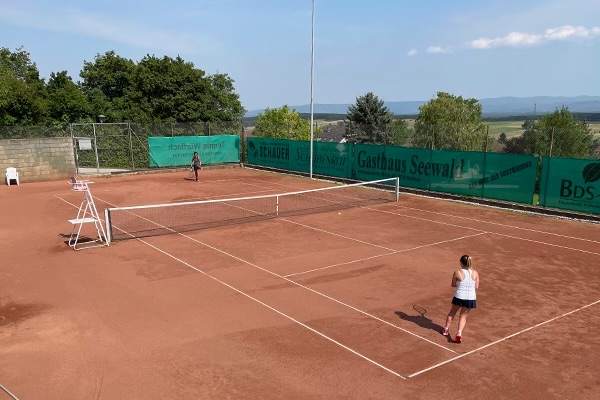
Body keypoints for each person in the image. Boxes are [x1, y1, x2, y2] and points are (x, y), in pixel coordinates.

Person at [442, 255, 479, 343]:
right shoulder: (476, 273)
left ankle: (446, 330)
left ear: (461, 263)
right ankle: (459, 333)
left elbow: (453, 284)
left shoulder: (457, 272)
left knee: (452, 313)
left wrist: (460, 284)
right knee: (463, 316)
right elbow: (476, 287)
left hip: (459, 296)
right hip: (470, 298)